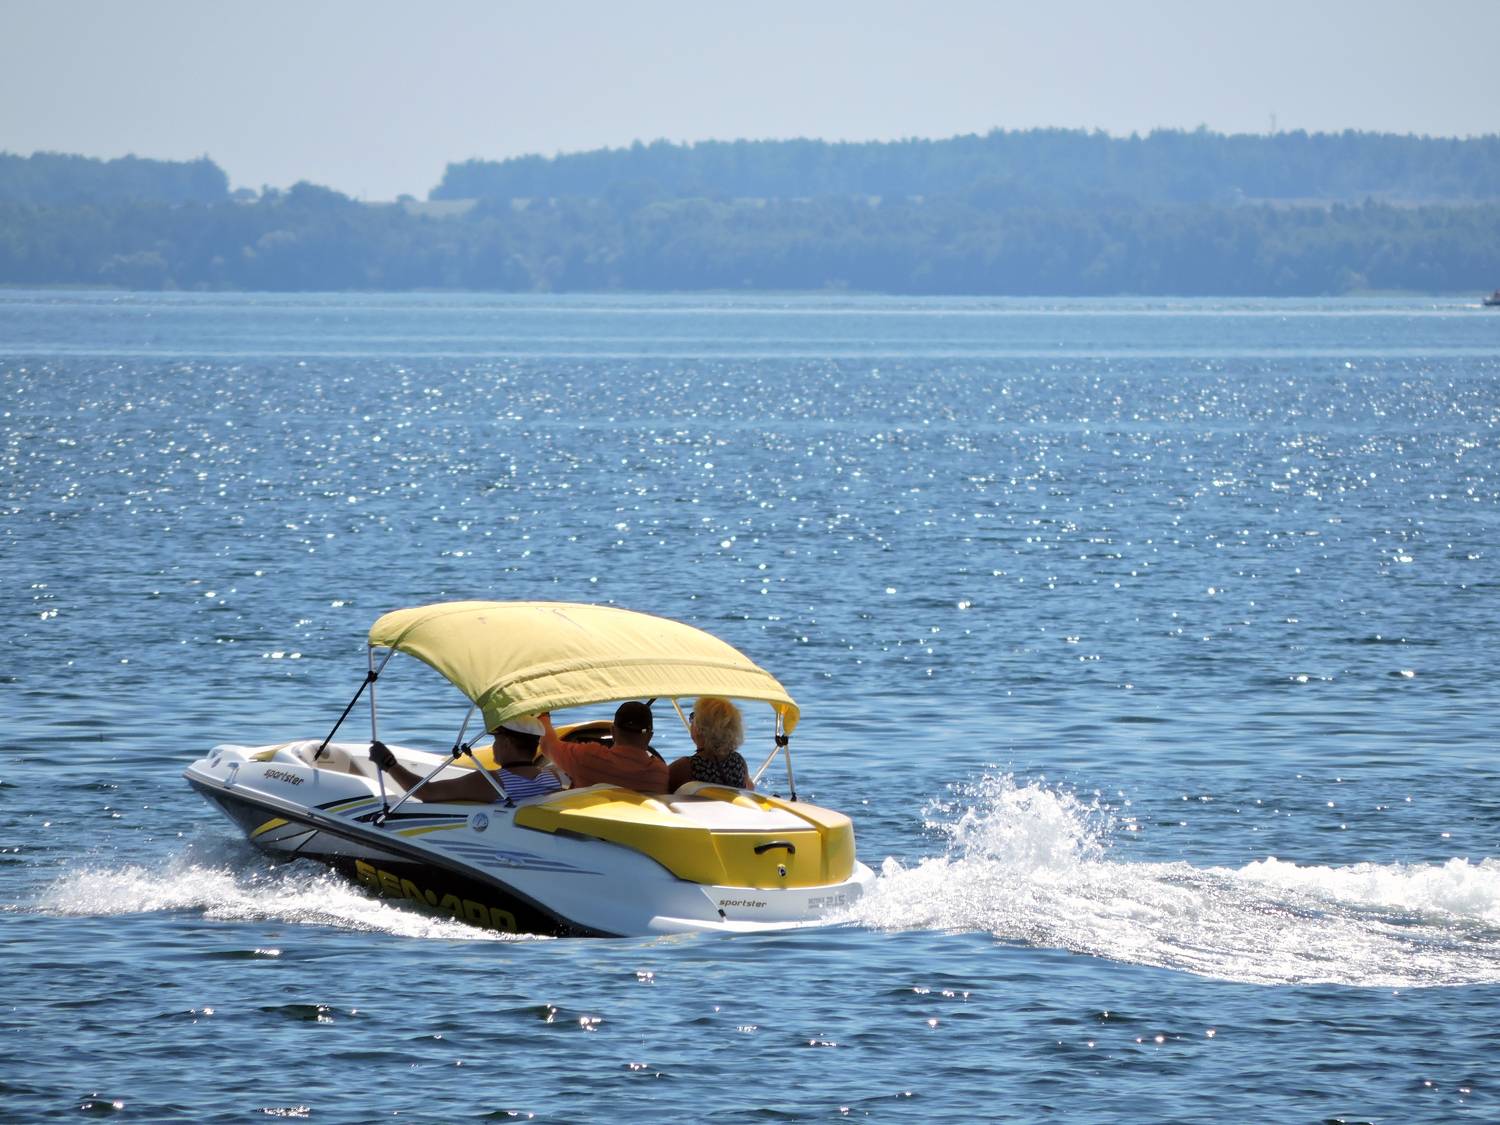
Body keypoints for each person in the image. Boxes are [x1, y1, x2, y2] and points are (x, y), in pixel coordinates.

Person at [369, 718, 561, 802]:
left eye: (496, 739)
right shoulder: (553, 777)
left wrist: (389, 763)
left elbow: (426, 792)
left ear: (507, 743)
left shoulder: (493, 782)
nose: (493, 746)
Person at [537, 701, 668, 792]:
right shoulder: (659, 773)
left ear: (613, 731)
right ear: (650, 736)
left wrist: (543, 715)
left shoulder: (587, 757)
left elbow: (547, 745)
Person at [667, 696, 753, 791]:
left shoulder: (686, 767)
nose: (691, 721)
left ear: (700, 728)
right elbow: (749, 790)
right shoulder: (739, 762)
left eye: (693, 716)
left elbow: (658, 786)